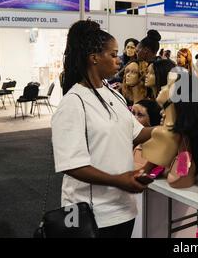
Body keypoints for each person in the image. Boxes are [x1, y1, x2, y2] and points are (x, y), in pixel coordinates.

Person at [52, 20, 153, 238]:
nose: (119, 60)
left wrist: (171, 127)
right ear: (94, 58)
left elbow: (136, 134)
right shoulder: (73, 103)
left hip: (123, 209)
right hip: (89, 213)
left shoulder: (114, 94)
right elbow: (71, 165)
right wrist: (118, 180)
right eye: (113, 54)